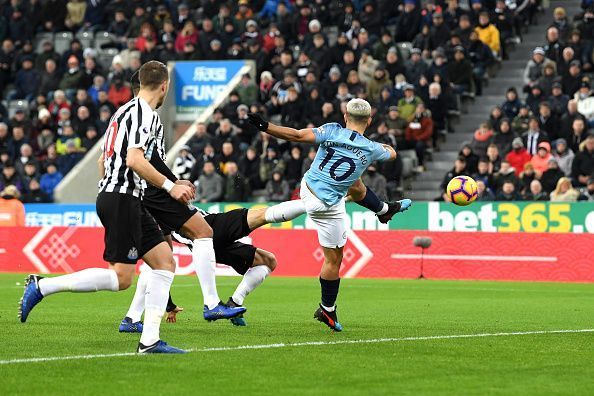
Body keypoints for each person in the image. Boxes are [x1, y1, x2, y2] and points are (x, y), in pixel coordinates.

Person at [18, 61, 194, 354]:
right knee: (121, 278)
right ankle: (41, 286)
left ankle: (149, 341)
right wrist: (170, 186)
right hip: (123, 198)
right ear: (164, 86)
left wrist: (113, 190)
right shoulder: (146, 115)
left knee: (164, 262)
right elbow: (135, 160)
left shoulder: (121, 112)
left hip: (123, 197)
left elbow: (103, 161)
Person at [247, 99, 407, 331]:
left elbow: (297, 136)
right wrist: (379, 148)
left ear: (345, 116)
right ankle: (327, 309)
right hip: (326, 206)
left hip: (308, 186)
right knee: (334, 260)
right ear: (369, 121)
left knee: (357, 185)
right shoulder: (371, 148)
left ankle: (383, 210)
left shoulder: (331, 130)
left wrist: (265, 126)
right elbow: (391, 154)